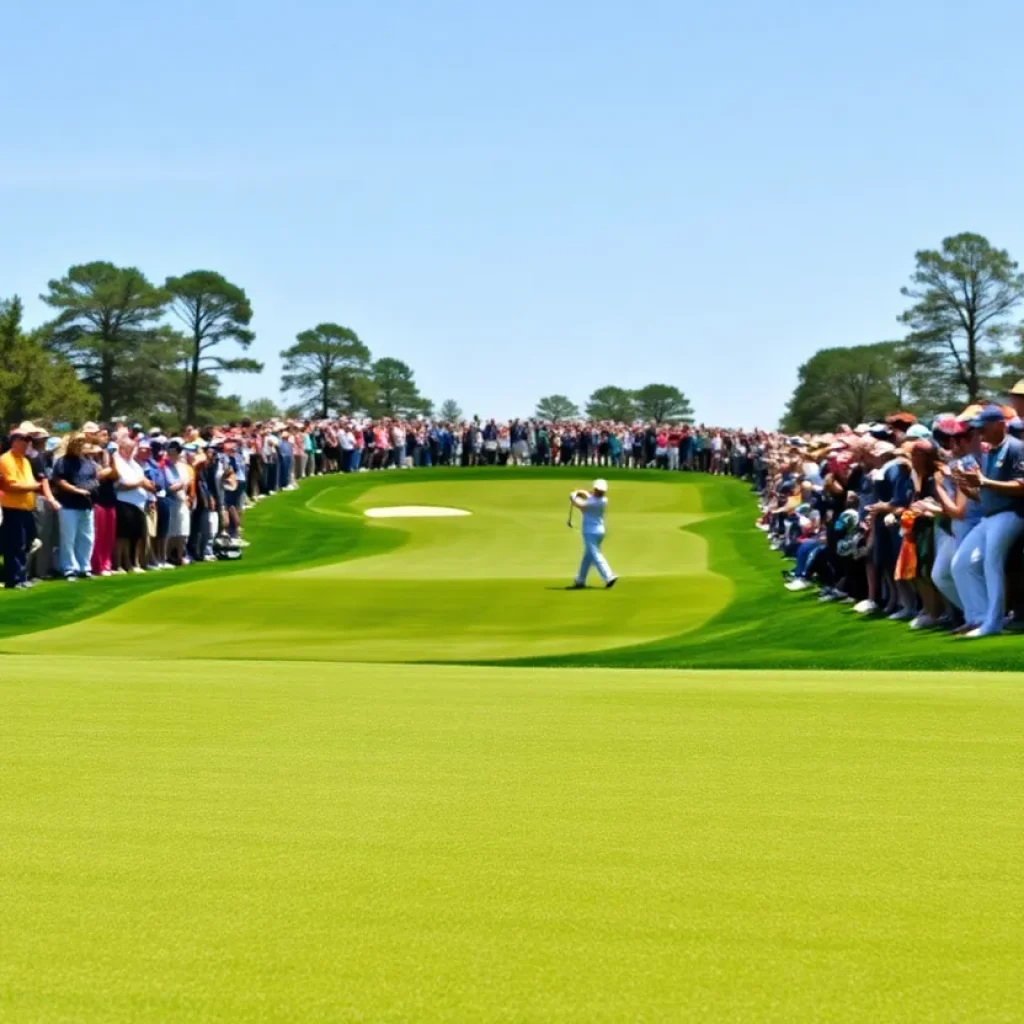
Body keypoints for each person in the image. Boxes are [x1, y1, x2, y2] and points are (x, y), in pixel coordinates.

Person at [951, 405, 1024, 638]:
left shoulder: (1016, 447)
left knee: (991, 563)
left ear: (1001, 424)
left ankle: (993, 623)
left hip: (1011, 513)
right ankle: (979, 617)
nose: (979, 432)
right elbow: (984, 494)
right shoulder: (990, 451)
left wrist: (982, 481)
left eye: (984, 427)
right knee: (961, 563)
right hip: (989, 516)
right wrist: (966, 485)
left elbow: (1021, 486)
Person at [51, 433, 99, 580]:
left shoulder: (89, 462)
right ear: (70, 444)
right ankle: (69, 569)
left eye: (82, 442)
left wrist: (91, 487)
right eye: (76, 442)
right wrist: (76, 490)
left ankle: (84, 567)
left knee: (87, 538)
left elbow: (95, 479)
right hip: (69, 505)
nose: (79, 445)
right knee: (68, 539)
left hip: (86, 505)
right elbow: (60, 481)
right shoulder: (62, 461)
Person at [0, 427, 42, 589]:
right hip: (12, 508)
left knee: (26, 543)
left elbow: (28, 483)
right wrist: (33, 486)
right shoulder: (5, 459)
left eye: (28, 442)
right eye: (23, 441)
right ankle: (14, 579)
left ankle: (22, 576)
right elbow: (11, 485)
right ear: (15, 442)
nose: (26, 445)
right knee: (14, 544)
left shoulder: (25, 461)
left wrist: (31, 486)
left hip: (26, 508)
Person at [568, 478, 617, 589]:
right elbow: (588, 495)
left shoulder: (594, 502)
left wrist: (573, 498)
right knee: (588, 556)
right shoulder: (603, 499)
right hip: (599, 531)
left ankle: (608, 576)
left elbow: (581, 506)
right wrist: (579, 492)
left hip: (590, 532)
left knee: (595, 555)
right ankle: (580, 580)